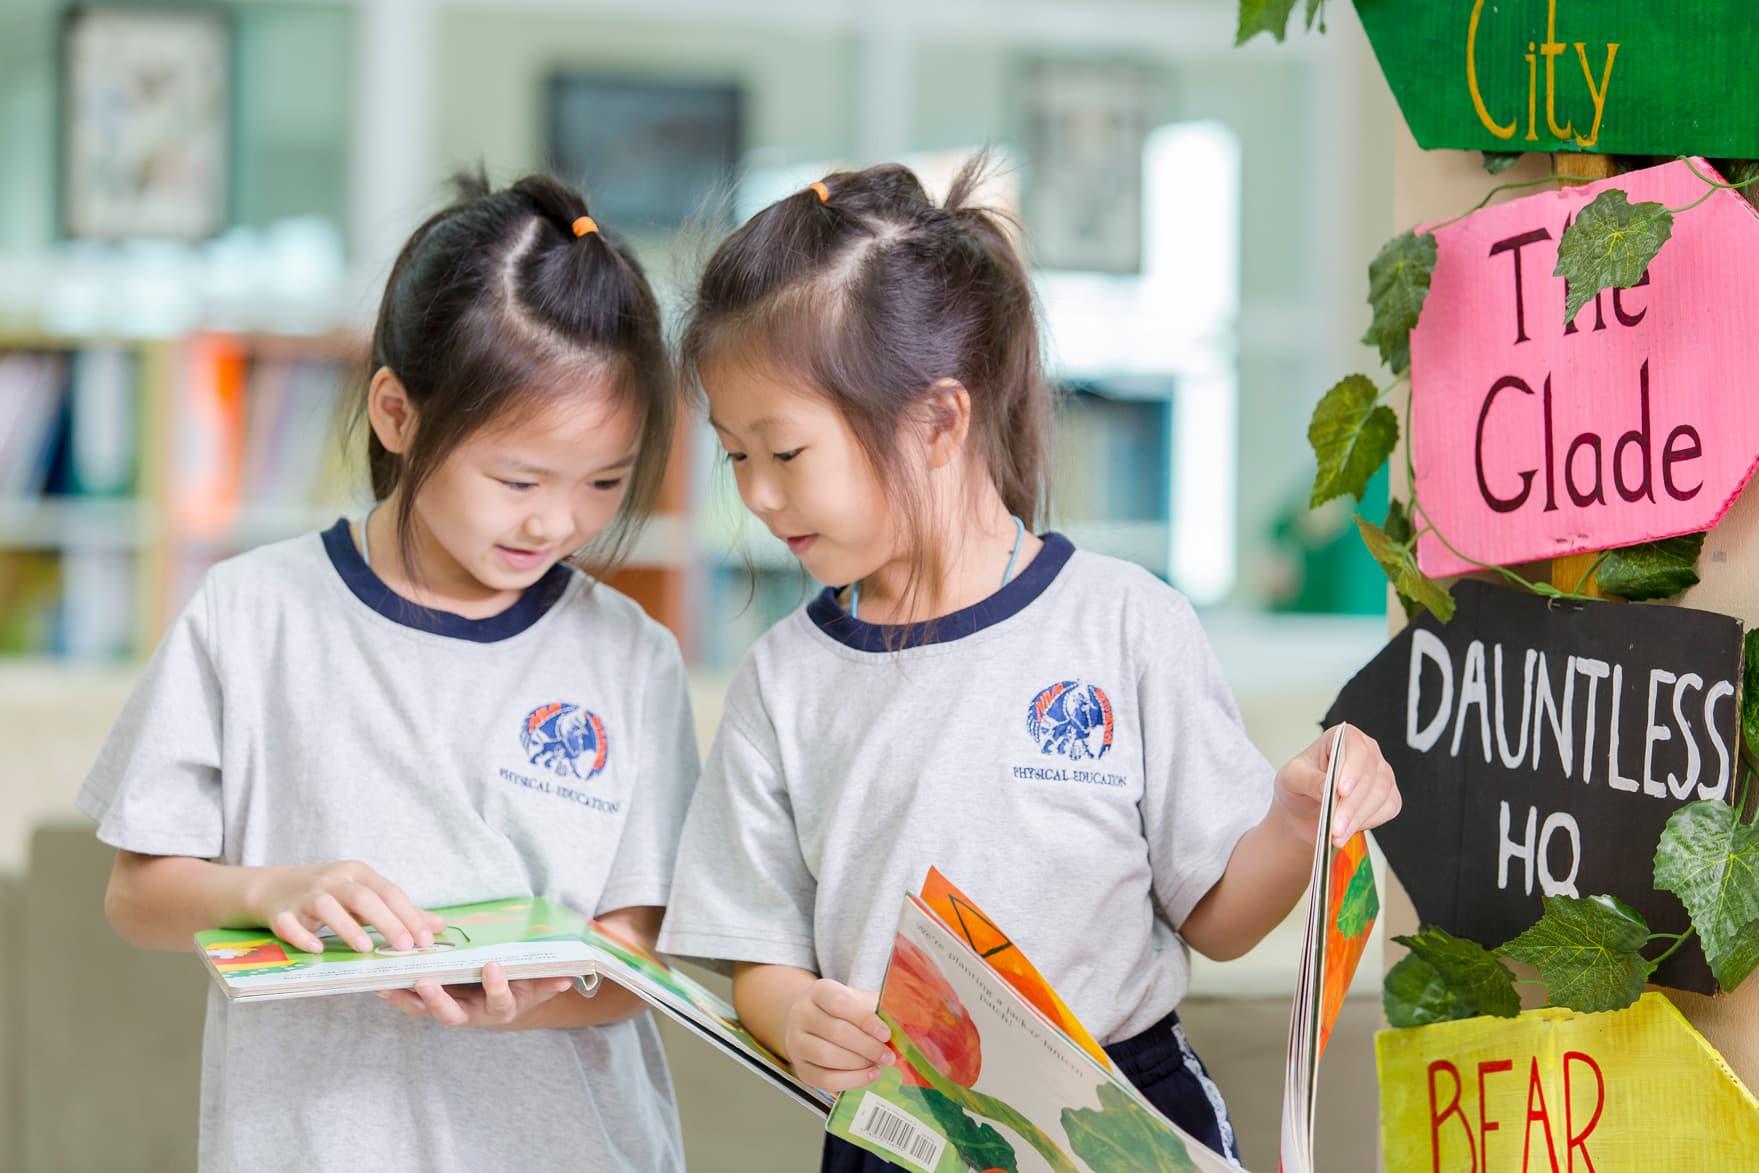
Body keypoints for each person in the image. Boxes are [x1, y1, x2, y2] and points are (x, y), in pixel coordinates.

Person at [657, 157, 1400, 1169]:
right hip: (899, 1131)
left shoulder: (1125, 625)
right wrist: (793, 1016)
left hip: (1129, 1120)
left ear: (938, 420)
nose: (757, 496)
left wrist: (1292, 821)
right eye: (734, 455)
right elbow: (758, 953)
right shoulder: (783, 682)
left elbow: (1220, 921)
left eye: (785, 455)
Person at [81, 173, 698, 1171]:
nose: (558, 522)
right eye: (517, 479)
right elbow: (139, 896)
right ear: (396, 414)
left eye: (604, 484)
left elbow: (643, 949)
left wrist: (530, 1002)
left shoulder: (632, 656)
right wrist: (274, 890)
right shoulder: (252, 614)